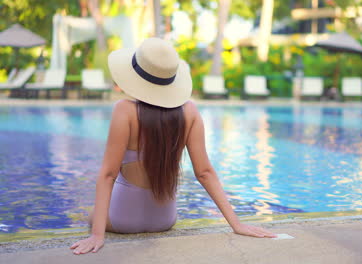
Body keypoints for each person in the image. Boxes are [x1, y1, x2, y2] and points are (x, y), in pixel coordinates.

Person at [70, 38, 277, 255]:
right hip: (165, 219)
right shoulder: (190, 112)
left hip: (122, 219)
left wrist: (97, 234)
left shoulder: (124, 110)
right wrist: (237, 224)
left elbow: (108, 174)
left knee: (89, 212)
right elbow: (205, 173)